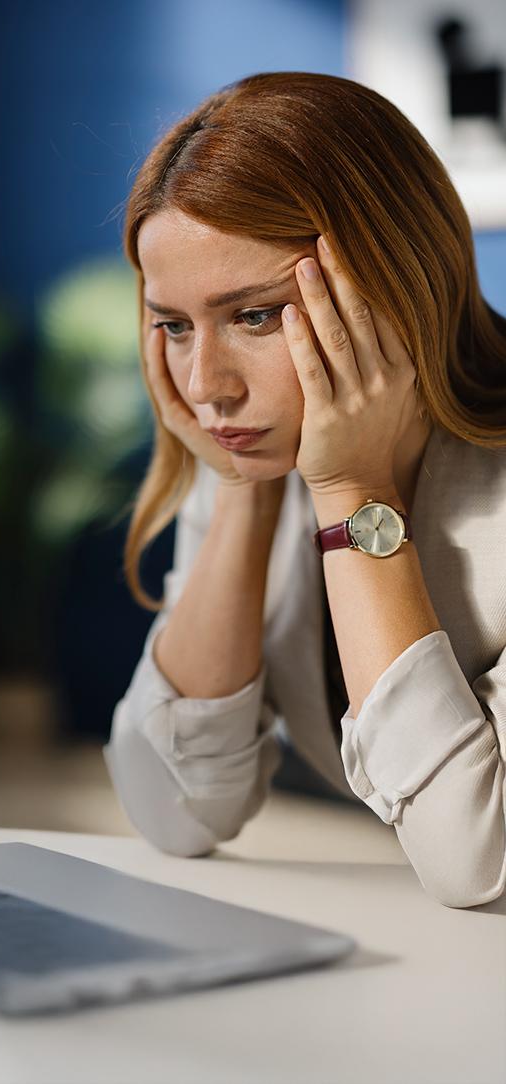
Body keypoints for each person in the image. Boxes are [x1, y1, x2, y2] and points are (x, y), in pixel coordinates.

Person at [102, 71, 506, 910]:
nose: (206, 385)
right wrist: (244, 494)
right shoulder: (265, 439)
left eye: (254, 315)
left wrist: (357, 495)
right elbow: (174, 810)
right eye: (173, 325)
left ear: (393, 280)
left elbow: (479, 859)